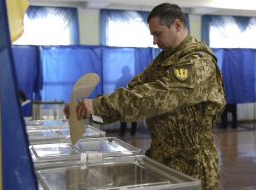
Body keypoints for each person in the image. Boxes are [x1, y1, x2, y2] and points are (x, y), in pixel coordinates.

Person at [64, 3, 226, 190]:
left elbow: (158, 96)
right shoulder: (164, 60)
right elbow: (134, 92)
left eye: (158, 34)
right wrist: (86, 111)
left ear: (177, 25)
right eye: (153, 35)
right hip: (161, 158)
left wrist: (99, 105)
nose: (154, 41)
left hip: (193, 165)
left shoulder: (199, 62)